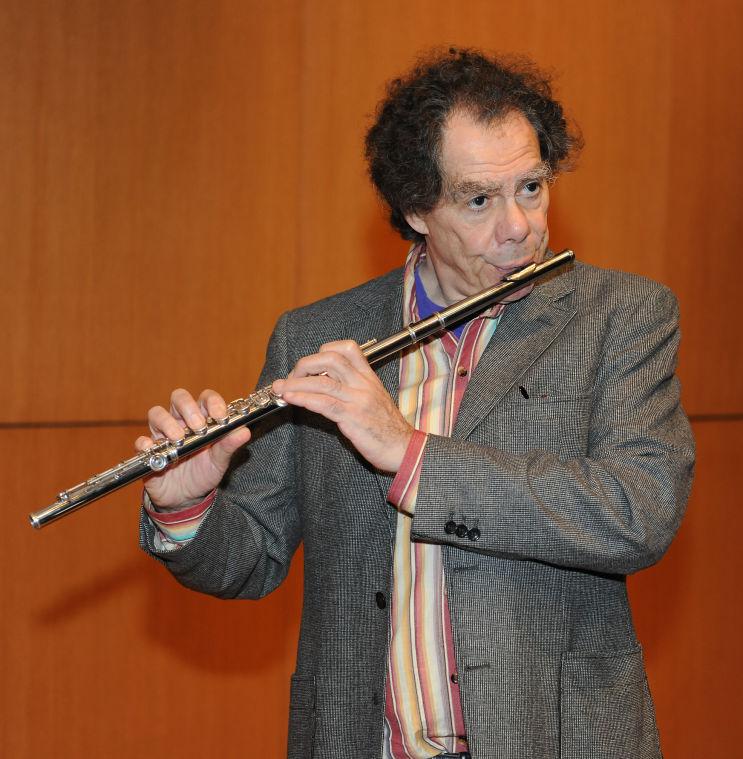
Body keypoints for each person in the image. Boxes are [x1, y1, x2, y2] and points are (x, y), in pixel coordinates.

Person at [138, 49, 695, 759]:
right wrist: (186, 507)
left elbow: (635, 511)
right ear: (414, 209)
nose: (518, 226)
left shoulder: (620, 317)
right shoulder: (316, 338)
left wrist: (408, 452)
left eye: (530, 186)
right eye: (477, 200)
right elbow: (250, 560)